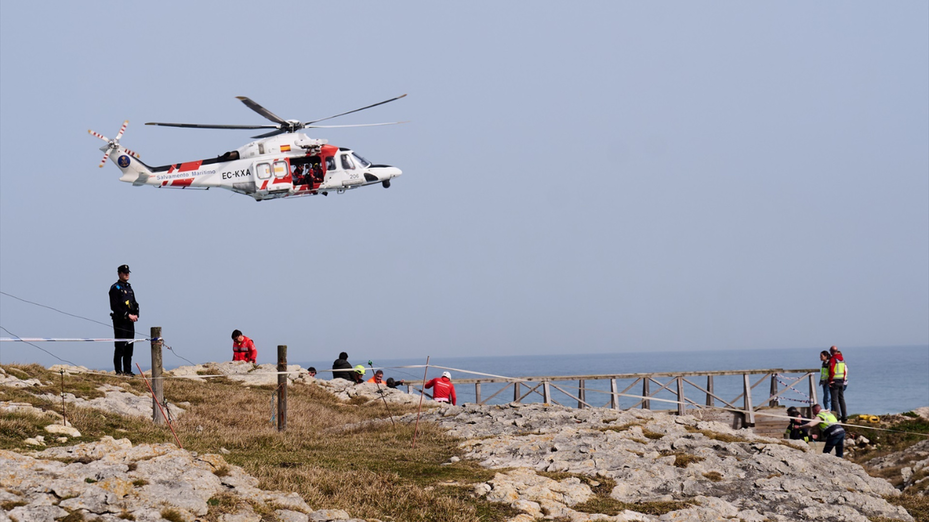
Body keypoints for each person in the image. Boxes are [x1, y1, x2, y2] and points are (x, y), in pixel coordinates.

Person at [109, 264, 139, 376]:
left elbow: (134, 303)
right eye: (124, 272)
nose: (127, 274)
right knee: (120, 346)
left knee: (129, 346)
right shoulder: (115, 288)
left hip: (130, 322)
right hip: (120, 321)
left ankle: (128, 370)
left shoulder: (129, 288)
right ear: (119, 274)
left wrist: (136, 315)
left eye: (128, 273)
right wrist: (127, 314)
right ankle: (118, 371)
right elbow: (114, 306)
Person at [828, 346, 848, 423]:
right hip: (841, 381)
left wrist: (830, 380)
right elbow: (844, 370)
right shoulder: (842, 359)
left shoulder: (833, 359)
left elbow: (831, 370)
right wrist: (843, 379)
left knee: (834, 400)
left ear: (831, 351)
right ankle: (844, 416)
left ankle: (838, 416)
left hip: (835, 381)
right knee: (841, 399)